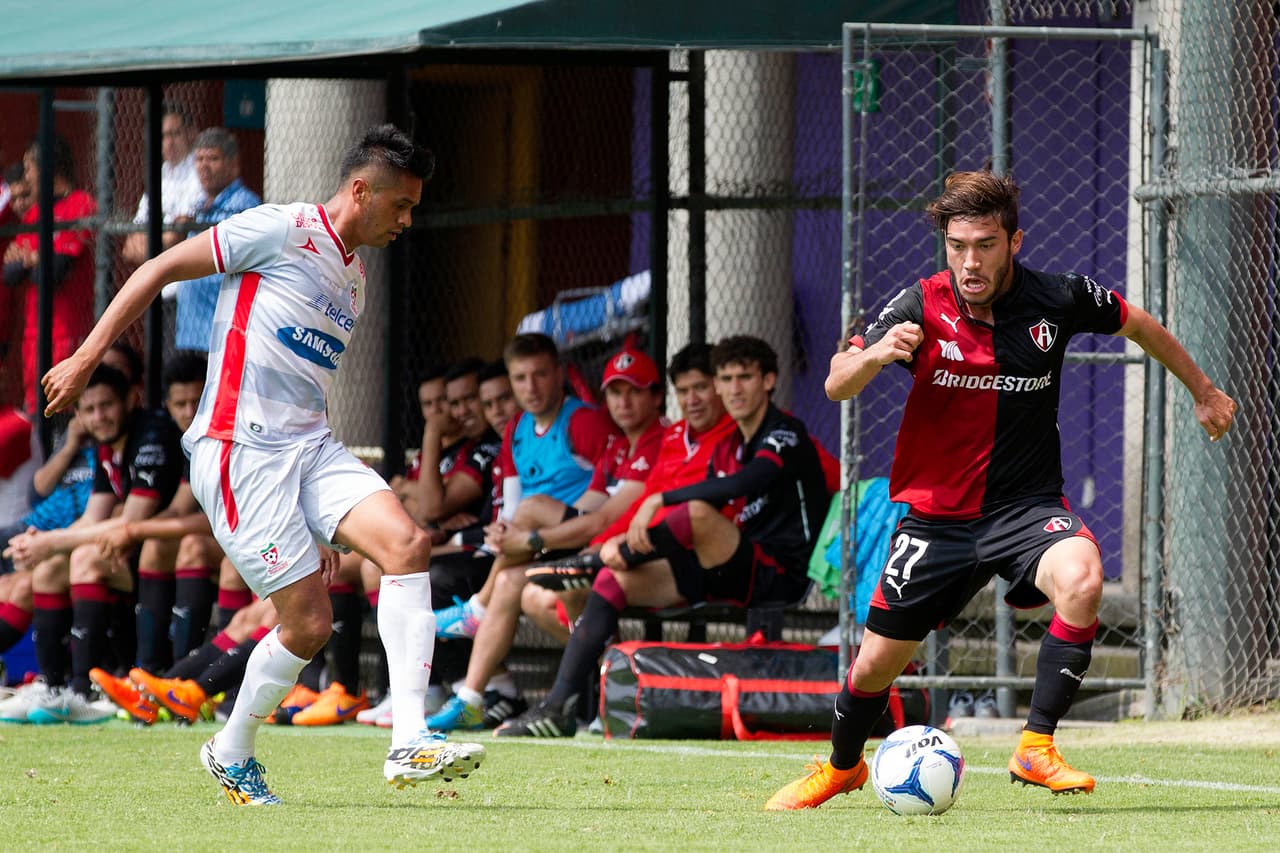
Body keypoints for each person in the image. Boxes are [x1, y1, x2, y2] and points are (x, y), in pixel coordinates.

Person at [764, 170, 1238, 810]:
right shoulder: (919, 304)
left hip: (1026, 508)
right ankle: (842, 767)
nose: (969, 261)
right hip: (937, 518)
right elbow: (835, 382)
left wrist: (1203, 391)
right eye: (957, 246)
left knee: (1083, 578)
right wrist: (876, 355)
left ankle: (1035, 745)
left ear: (1014, 242)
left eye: (984, 245)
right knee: (874, 665)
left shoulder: (1059, 297)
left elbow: (1139, 324)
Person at [41, 123, 484, 805]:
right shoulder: (280, 229)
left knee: (408, 544)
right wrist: (85, 356)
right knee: (308, 623)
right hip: (239, 450)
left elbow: (308, 382)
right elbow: (158, 268)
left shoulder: (355, 279)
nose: (407, 221)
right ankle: (231, 748)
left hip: (310, 446)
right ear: (360, 190)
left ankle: (408, 739)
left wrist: (319, 516)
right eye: (401, 205)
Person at [494, 335, 830, 737]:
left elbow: (749, 482)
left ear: (769, 381)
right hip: (729, 568)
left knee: (696, 513)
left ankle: (593, 561)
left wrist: (658, 501)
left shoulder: (785, 430)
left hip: (778, 572)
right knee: (612, 580)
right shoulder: (732, 443)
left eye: (745, 377)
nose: (734, 389)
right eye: (726, 379)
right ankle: (558, 707)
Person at [427, 345, 666, 732]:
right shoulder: (619, 445)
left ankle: (479, 612)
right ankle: (471, 698)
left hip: (630, 556)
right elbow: (592, 509)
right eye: (615, 393)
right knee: (515, 584)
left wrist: (534, 539)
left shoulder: (639, 435)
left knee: (535, 517)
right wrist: (516, 533)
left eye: (634, 392)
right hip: (588, 547)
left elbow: (600, 520)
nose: (623, 403)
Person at [3, 364, 184, 724]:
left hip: (168, 555)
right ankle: (54, 687)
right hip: (129, 552)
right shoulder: (106, 447)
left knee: (84, 558)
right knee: (50, 567)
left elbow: (132, 519)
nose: (99, 417)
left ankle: (83, 691)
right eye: (89, 409)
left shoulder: (152, 434)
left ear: (130, 400)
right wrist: (45, 544)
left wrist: (54, 540)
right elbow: (93, 519)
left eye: (107, 405)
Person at [431, 332, 618, 640]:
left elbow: (614, 487)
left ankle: (476, 609)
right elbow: (512, 505)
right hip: (533, 543)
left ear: (558, 374)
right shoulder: (517, 427)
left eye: (539, 375)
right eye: (520, 378)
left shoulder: (583, 422)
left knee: (531, 510)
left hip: (577, 537)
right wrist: (502, 530)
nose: (530, 387)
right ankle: (476, 676)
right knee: (504, 580)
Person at [94, 352, 223, 666]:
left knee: (192, 547)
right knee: (155, 545)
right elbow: (179, 510)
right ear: (168, 405)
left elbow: (216, 521)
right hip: (224, 540)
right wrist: (135, 532)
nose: (189, 412)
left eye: (197, 402)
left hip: (256, 543)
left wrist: (133, 529)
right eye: (181, 404)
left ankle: (184, 676)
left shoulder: (222, 438)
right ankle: (150, 672)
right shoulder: (193, 445)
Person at [3, 136, 97, 413]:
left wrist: (33, 259)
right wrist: (39, 259)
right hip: (34, 332)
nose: (26, 177)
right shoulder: (35, 213)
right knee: (36, 411)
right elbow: (10, 274)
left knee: (65, 409)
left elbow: (56, 271)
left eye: (29, 168)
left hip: (68, 330)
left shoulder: (81, 204)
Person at [167, 128, 261, 352]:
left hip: (221, 336)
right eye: (199, 159)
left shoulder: (244, 205)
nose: (204, 166)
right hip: (189, 334)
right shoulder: (200, 207)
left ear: (233, 164)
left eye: (213, 158)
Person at [121, 103, 204, 266]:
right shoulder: (161, 173)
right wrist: (163, 242)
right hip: (162, 272)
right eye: (163, 136)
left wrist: (150, 244)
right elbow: (129, 247)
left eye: (175, 134)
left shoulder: (200, 171)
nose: (168, 142)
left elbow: (178, 235)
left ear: (191, 133)